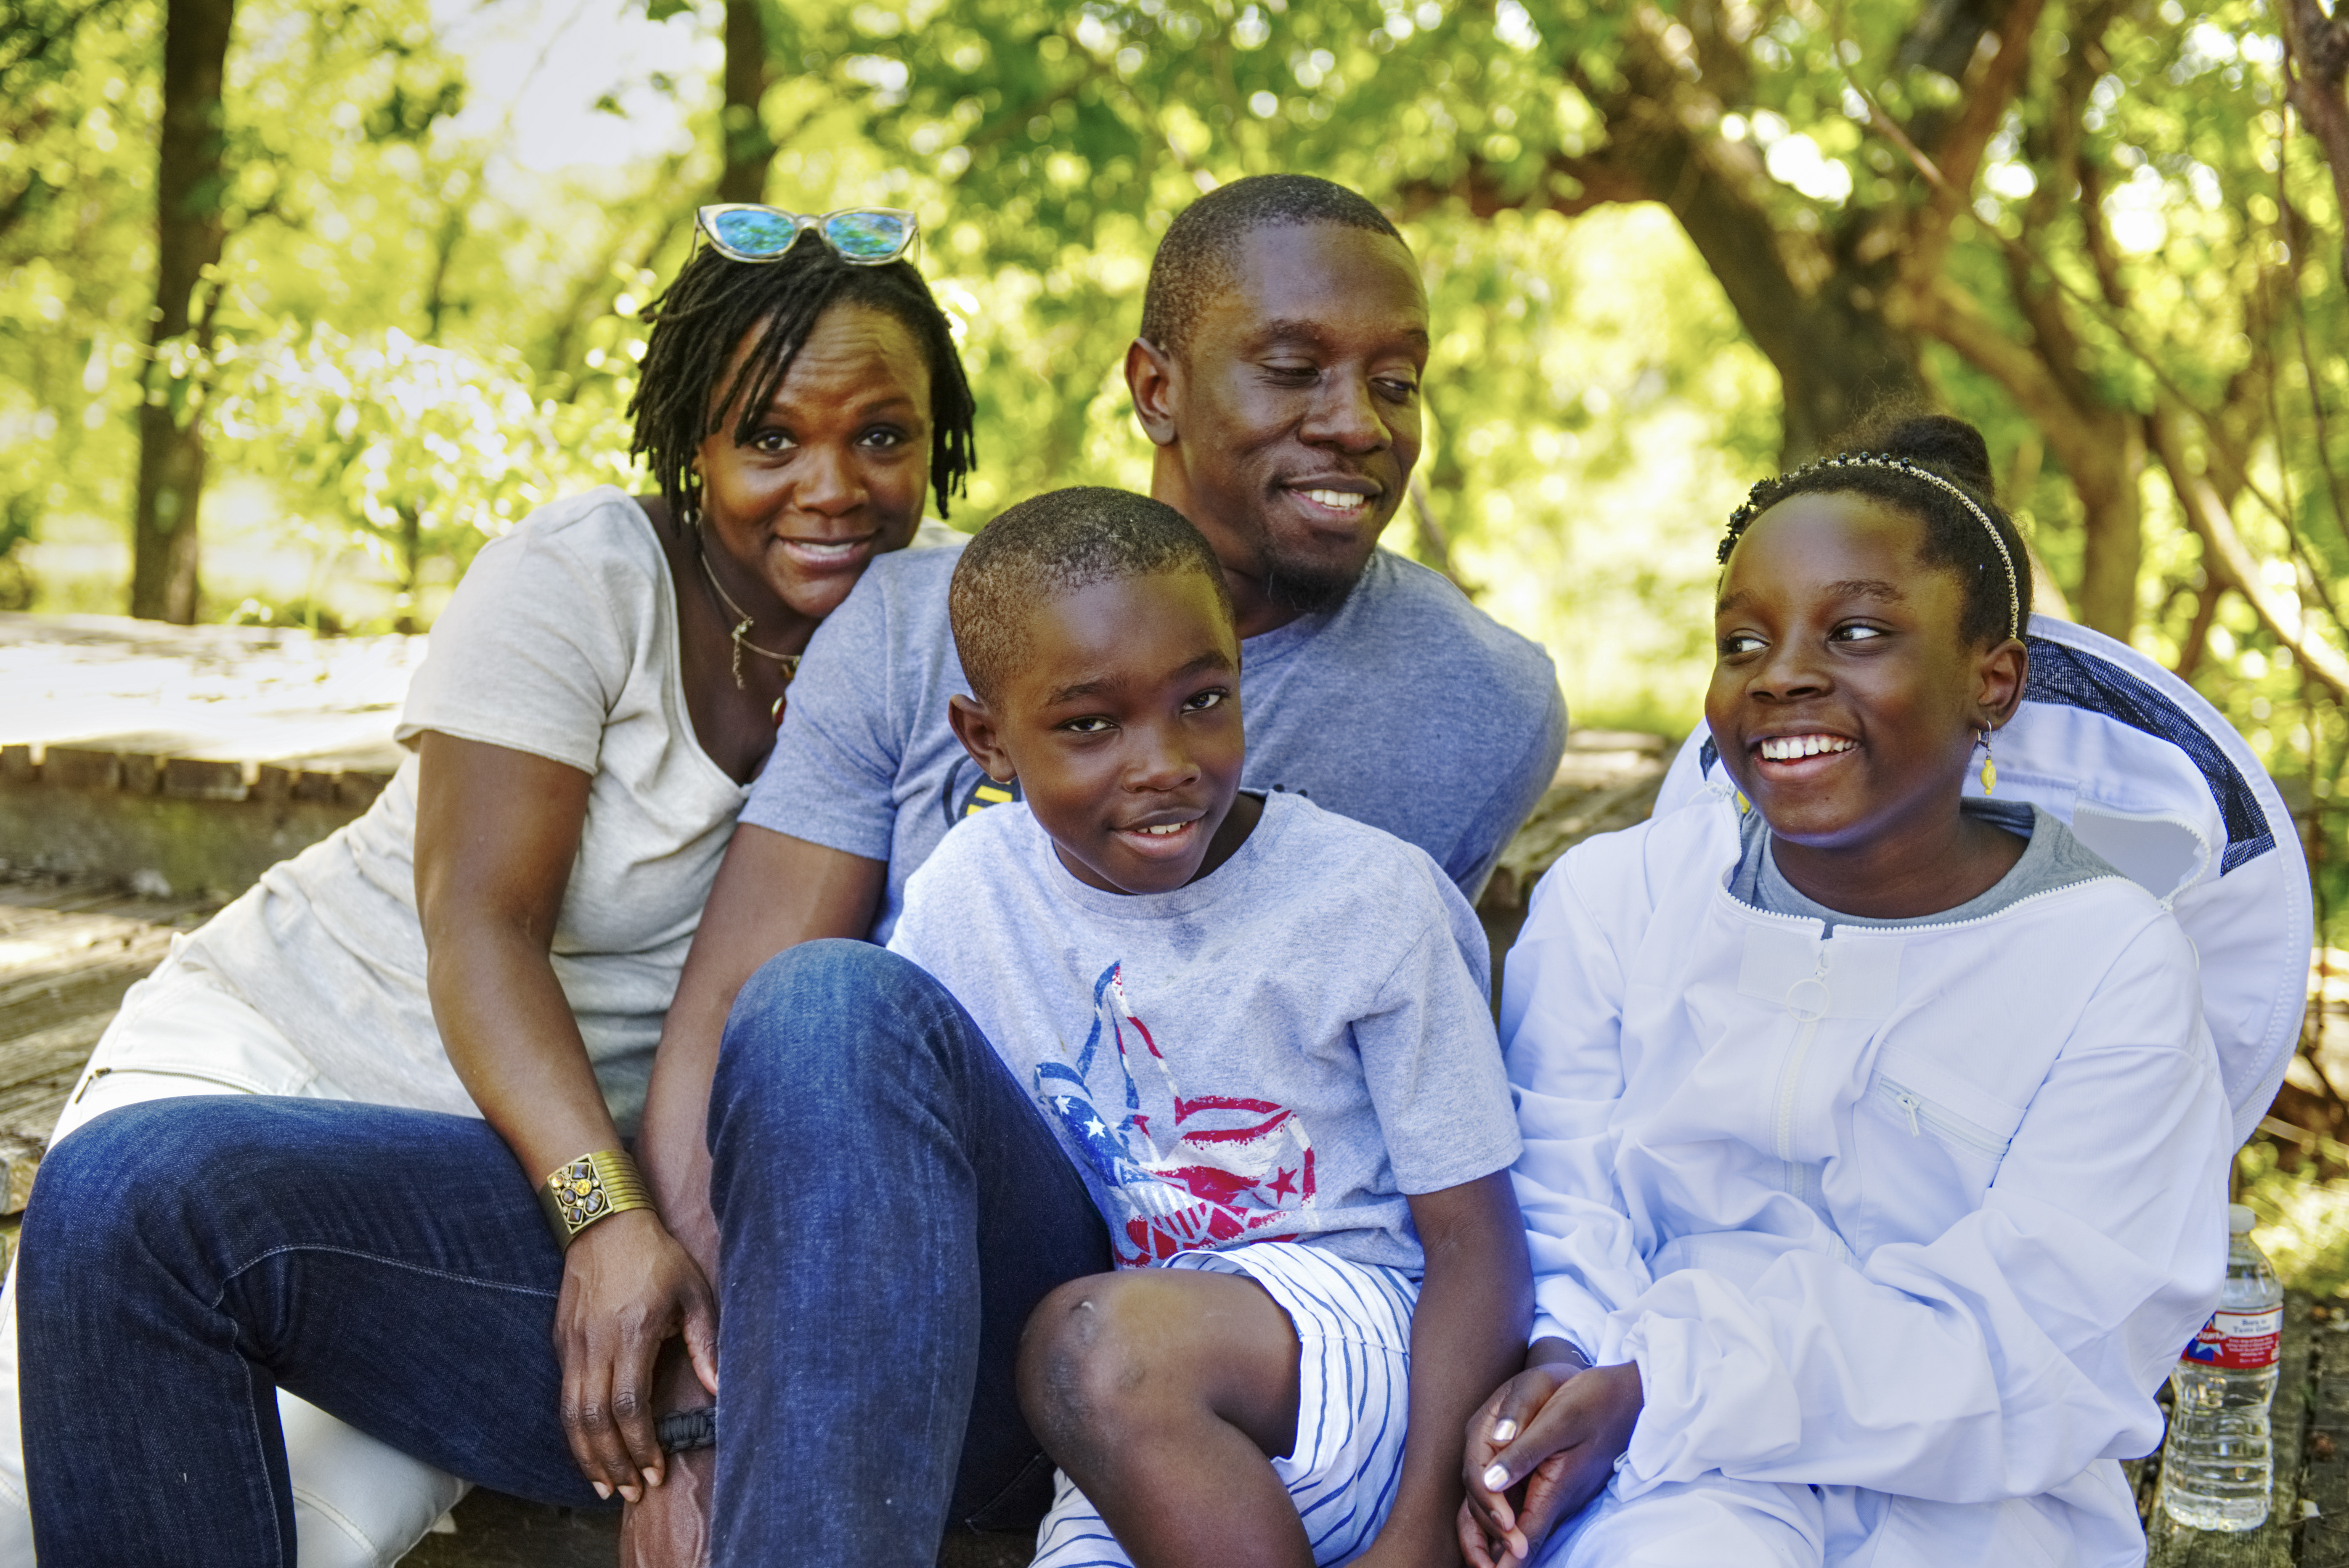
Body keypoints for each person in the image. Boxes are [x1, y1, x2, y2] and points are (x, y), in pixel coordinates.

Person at [6, 203, 981, 1567]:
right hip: (290, 1063)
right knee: (34, 1494)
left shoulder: (948, 622)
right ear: (688, 448)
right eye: (769, 437)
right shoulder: (582, 577)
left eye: (882, 435)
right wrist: (607, 1214)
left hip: (521, 1189)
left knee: (320, 1530)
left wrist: (693, 1385)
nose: (831, 483)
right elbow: (481, 923)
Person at [620, 172, 1569, 1559]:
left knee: (1103, 1341)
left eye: (1399, 380)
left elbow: (1454, 1188)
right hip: (1003, 1295)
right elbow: (764, 1045)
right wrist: (719, 1419)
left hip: (1266, 1334)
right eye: (1295, 368)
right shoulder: (920, 639)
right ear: (1154, 384)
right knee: (822, 1005)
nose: (1358, 424)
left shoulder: (1473, 719)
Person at [1453, 415, 2237, 1568]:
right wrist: (1569, 1366)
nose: (1785, 678)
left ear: (1994, 680)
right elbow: (1562, 1204)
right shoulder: (1616, 902)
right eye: (1740, 642)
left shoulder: (2110, 962)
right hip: (1660, 1477)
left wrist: (1671, 1381)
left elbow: (2051, 1338)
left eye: (1857, 632)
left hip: (1980, 1504)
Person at [709, 487, 1531, 1567]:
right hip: (1122, 1415)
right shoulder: (970, 894)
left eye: (1202, 699)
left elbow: (1480, 1246)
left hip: (1354, 1362)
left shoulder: (1370, 900)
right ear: (984, 740)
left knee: (1089, 1343)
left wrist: (1418, 1527)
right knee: (822, 1000)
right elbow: (902, 1161)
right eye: (1089, 724)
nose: (1163, 762)